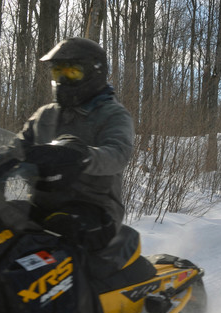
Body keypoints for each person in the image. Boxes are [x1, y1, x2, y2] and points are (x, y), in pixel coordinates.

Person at [13, 37, 134, 252]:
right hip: (44, 203)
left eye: (72, 72)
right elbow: (17, 147)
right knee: (5, 222)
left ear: (94, 72)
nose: (62, 78)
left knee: (63, 233)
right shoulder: (45, 115)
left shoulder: (112, 114)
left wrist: (84, 156)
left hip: (94, 208)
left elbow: (118, 153)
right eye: (57, 72)